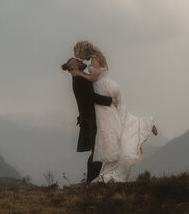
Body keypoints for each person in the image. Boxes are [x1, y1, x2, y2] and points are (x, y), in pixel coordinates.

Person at [70, 40, 157, 183]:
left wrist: (79, 73)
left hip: (102, 87)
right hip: (108, 85)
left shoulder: (94, 59)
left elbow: (93, 78)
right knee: (119, 119)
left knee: (114, 123)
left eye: (79, 55)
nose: (81, 59)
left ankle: (144, 123)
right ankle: (144, 124)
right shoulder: (98, 55)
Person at [62, 56, 114, 184]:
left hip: (90, 118)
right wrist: (111, 101)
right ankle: (91, 182)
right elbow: (91, 97)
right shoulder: (79, 79)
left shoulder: (79, 77)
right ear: (74, 67)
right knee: (97, 151)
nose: (81, 61)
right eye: (78, 61)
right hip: (90, 119)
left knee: (97, 151)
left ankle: (92, 182)